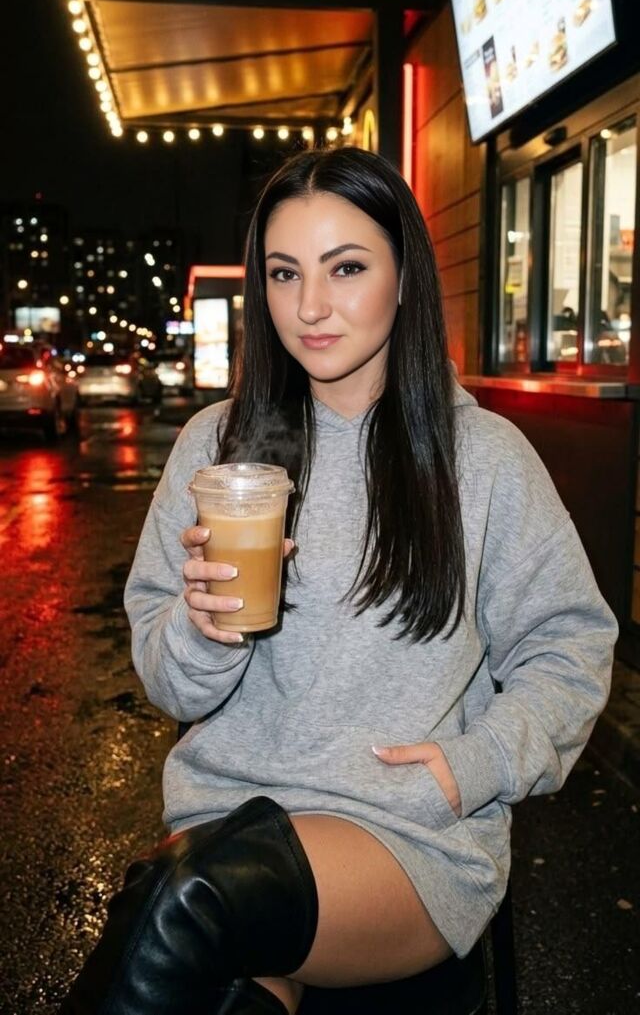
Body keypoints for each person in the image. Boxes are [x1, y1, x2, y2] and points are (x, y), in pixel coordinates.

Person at [60, 147, 617, 1015]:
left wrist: (476, 761)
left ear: (405, 277)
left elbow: (570, 646)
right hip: (228, 817)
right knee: (215, 972)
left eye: (346, 267)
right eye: (284, 273)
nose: (310, 306)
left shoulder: (482, 458)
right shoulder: (218, 447)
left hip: (402, 834)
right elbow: (167, 681)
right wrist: (204, 628)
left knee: (190, 904)